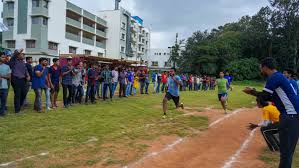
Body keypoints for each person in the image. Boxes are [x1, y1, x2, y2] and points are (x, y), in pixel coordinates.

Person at [243, 57, 299, 168]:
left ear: (265, 67)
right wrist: (253, 93)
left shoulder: (274, 77)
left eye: (260, 67)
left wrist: (251, 91)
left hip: (290, 117)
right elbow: (272, 98)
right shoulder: (280, 77)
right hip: (293, 117)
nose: (260, 70)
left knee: (286, 155)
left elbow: (265, 96)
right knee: (287, 154)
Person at [9, 49, 30, 114]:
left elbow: (25, 70)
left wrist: (28, 75)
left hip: (23, 79)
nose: (23, 55)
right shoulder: (14, 60)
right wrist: (19, 51)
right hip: (16, 78)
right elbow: (14, 56)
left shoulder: (23, 62)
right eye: (21, 54)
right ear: (18, 55)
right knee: (17, 94)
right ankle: (17, 110)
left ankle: (19, 106)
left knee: (24, 93)